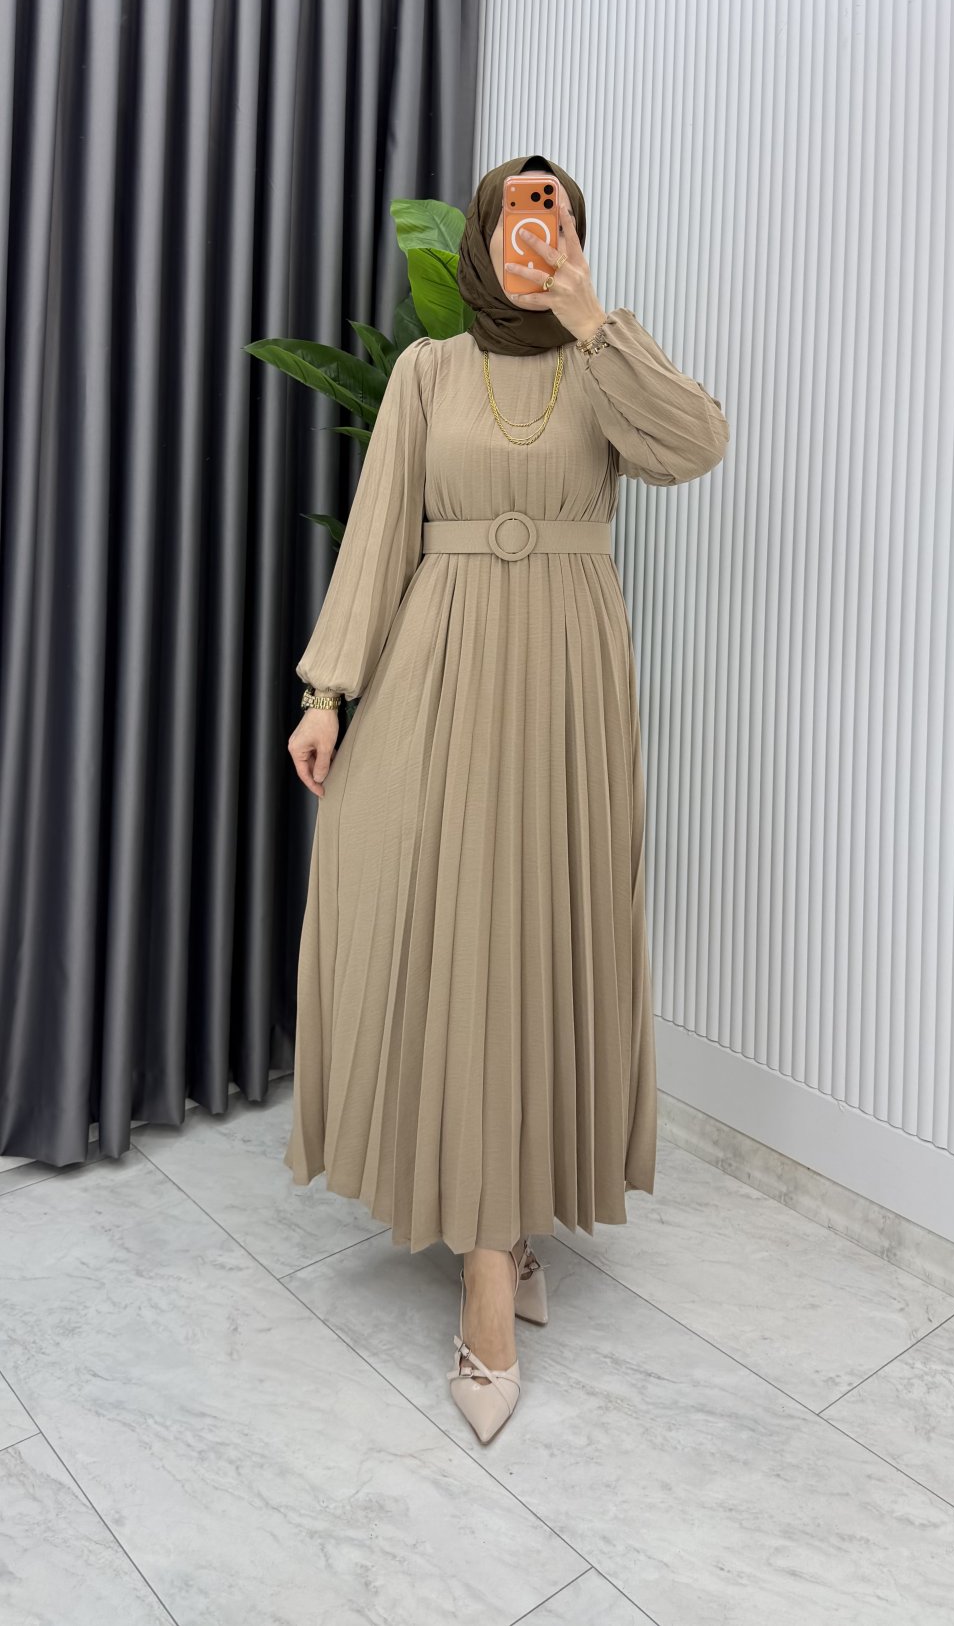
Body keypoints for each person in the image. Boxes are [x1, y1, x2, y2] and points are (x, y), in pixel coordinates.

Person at [284, 152, 729, 1442]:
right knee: (446, 940)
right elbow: (382, 536)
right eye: (523, 216)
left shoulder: (604, 365)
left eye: (563, 217)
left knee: (540, 947)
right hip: (438, 672)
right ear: (483, 237)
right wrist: (327, 692)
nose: (542, 234)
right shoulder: (429, 373)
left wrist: (596, 321)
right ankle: (490, 1268)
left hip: (568, 687)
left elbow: (697, 446)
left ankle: (508, 1228)